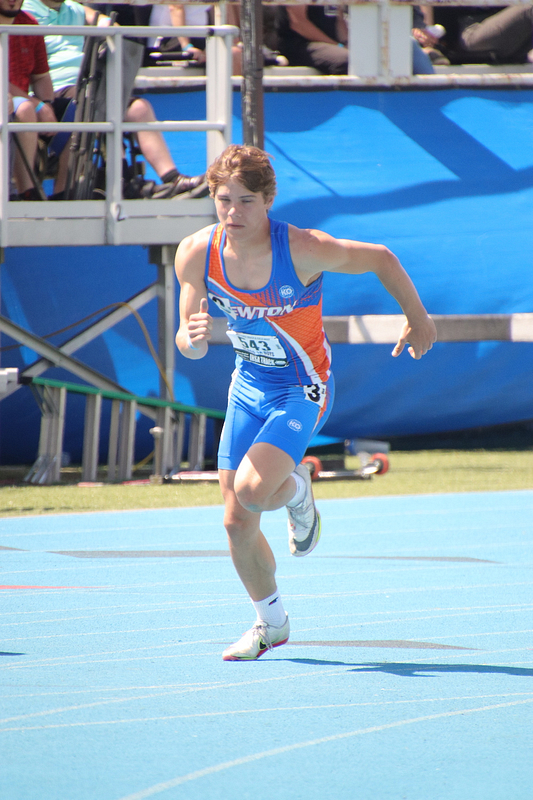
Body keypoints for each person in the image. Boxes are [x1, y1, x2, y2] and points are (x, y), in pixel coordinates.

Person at [174, 144, 437, 661]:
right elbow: (187, 338)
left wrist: (418, 317)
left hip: (302, 388)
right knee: (236, 521)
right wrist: (194, 338)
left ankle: (297, 490)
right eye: (224, 200)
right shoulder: (195, 253)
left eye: (246, 201)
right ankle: (271, 624)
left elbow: (381, 258)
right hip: (248, 387)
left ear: (268, 200)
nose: (233, 213)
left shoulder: (302, 249)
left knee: (252, 492)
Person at [21, 0, 207, 198]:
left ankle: (173, 179)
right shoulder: (25, 10)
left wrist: (109, 28)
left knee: (139, 108)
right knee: (99, 103)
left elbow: (105, 22)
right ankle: (122, 180)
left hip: (89, 83)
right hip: (57, 89)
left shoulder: (73, 8)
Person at [276, 4, 434, 75]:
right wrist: (338, 46)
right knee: (348, 61)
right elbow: (298, 24)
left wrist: (347, 43)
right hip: (300, 44)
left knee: (402, 49)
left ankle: (429, 100)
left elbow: (339, 19)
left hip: (332, 43)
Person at [1, 0, 57, 199]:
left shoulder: (29, 24)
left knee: (74, 113)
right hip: (14, 102)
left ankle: (64, 193)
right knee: (25, 108)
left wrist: (48, 105)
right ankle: (24, 191)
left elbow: (41, 76)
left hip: (20, 103)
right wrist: (37, 105)